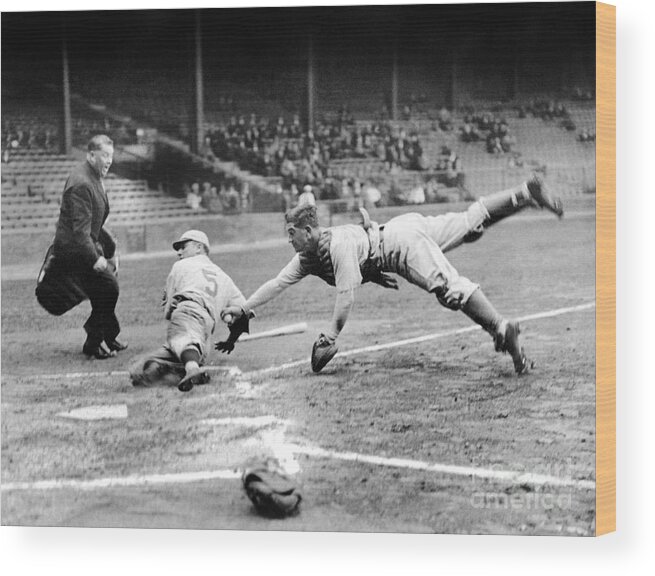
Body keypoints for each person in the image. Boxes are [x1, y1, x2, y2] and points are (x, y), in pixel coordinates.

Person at [222, 175, 564, 375]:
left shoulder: (335, 246)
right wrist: (244, 307)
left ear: (309, 231)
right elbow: (275, 284)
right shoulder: (308, 255)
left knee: (447, 289)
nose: (289, 238)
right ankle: (522, 193)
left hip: (398, 247)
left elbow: (346, 296)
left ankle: (500, 326)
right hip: (399, 229)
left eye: (292, 232)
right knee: (468, 224)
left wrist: (330, 335)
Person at [37, 134, 125, 360]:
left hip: (83, 244)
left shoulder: (93, 177)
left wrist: (111, 250)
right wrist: (95, 259)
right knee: (109, 287)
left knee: (103, 290)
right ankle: (93, 342)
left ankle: (108, 335)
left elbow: (96, 224)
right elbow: (79, 232)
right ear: (91, 155)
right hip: (72, 251)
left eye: (111, 156)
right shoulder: (82, 183)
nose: (109, 161)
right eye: (104, 155)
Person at [129, 230, 250, 392]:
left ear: (199, 247)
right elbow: (244, 311)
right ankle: (184, 368)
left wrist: (173, 313)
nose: (179, 252)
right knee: (140, 368)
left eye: (183, 247)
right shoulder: (224, 276)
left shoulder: (181, 265)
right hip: (205, 328)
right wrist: (231, 338)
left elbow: (169, 307)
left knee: (183, 340)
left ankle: (192, 368)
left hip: (188, 312)